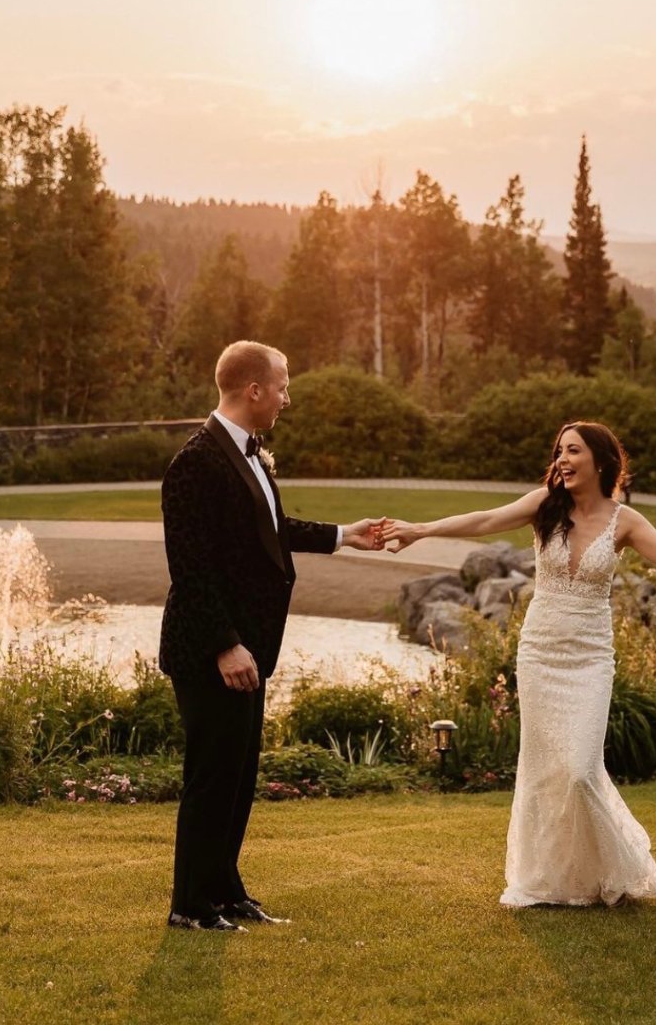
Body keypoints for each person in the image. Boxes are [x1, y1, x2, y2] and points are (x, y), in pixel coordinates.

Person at [382, 421, 656, 907]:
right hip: (540, 652)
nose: (562, 459)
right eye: (558, 451)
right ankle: (552, 881)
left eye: (572, 450)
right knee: (545, 769)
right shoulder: (544, 506)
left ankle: (617, 866)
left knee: (579, 768)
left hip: (590, 657)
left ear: (600, 460)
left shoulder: (626, 522)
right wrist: (420, 529)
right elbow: (485, 519)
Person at [158, 340, 385, 932]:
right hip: (213, 651)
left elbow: (270, 530)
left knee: (238, 775)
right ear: (253, 389)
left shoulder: (250, 455)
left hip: (250, 648)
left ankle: (226, 891)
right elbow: (191, 568)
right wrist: (225, 644)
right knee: (212, 775)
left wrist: (343, 535)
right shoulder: (196, 462)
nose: (288, 398)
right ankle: (190, 904)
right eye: (282, 386)